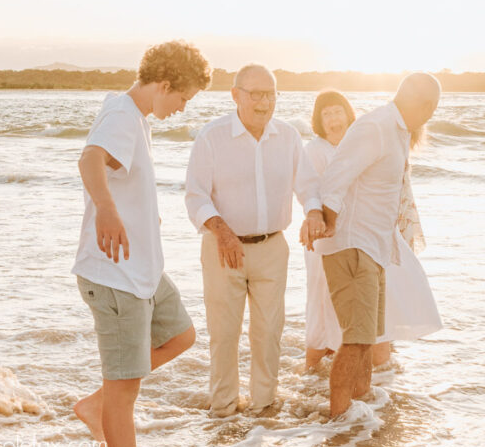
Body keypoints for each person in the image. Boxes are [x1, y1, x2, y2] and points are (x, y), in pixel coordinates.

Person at [72, 40, 209, 447]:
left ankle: (97, 404)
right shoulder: (122, 116)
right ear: (164, 84)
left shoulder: (132, 115)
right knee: (124, 387)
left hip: (141, 269)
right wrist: (107, 210)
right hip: (115, 275)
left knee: (182, 335)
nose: (182, 108)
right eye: (183, 98)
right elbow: (90, 159)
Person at [184, 64, 324, 418]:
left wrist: (313, 212)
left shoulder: (289, 136)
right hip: (222, 248)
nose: (264, 102)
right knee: (224, 333)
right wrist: (221, 229)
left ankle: (264, 407)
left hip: (273, 248)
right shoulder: (211, 137)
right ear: (235, 95)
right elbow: (195, 196)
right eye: (256, 94)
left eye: (271, 93)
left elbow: (307, 185)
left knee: (268, 333)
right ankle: (223, 411)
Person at [309, 73, 441, 418]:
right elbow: (337, 174)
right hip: (354, 246)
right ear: (426, 106)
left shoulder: (397, 132)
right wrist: (332, 223)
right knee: (355, 340)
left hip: (374, 248)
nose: (431, 116)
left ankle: (358, 415)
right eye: (433, 108)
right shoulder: (376, 126)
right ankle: (338, 421)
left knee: (367, 338)